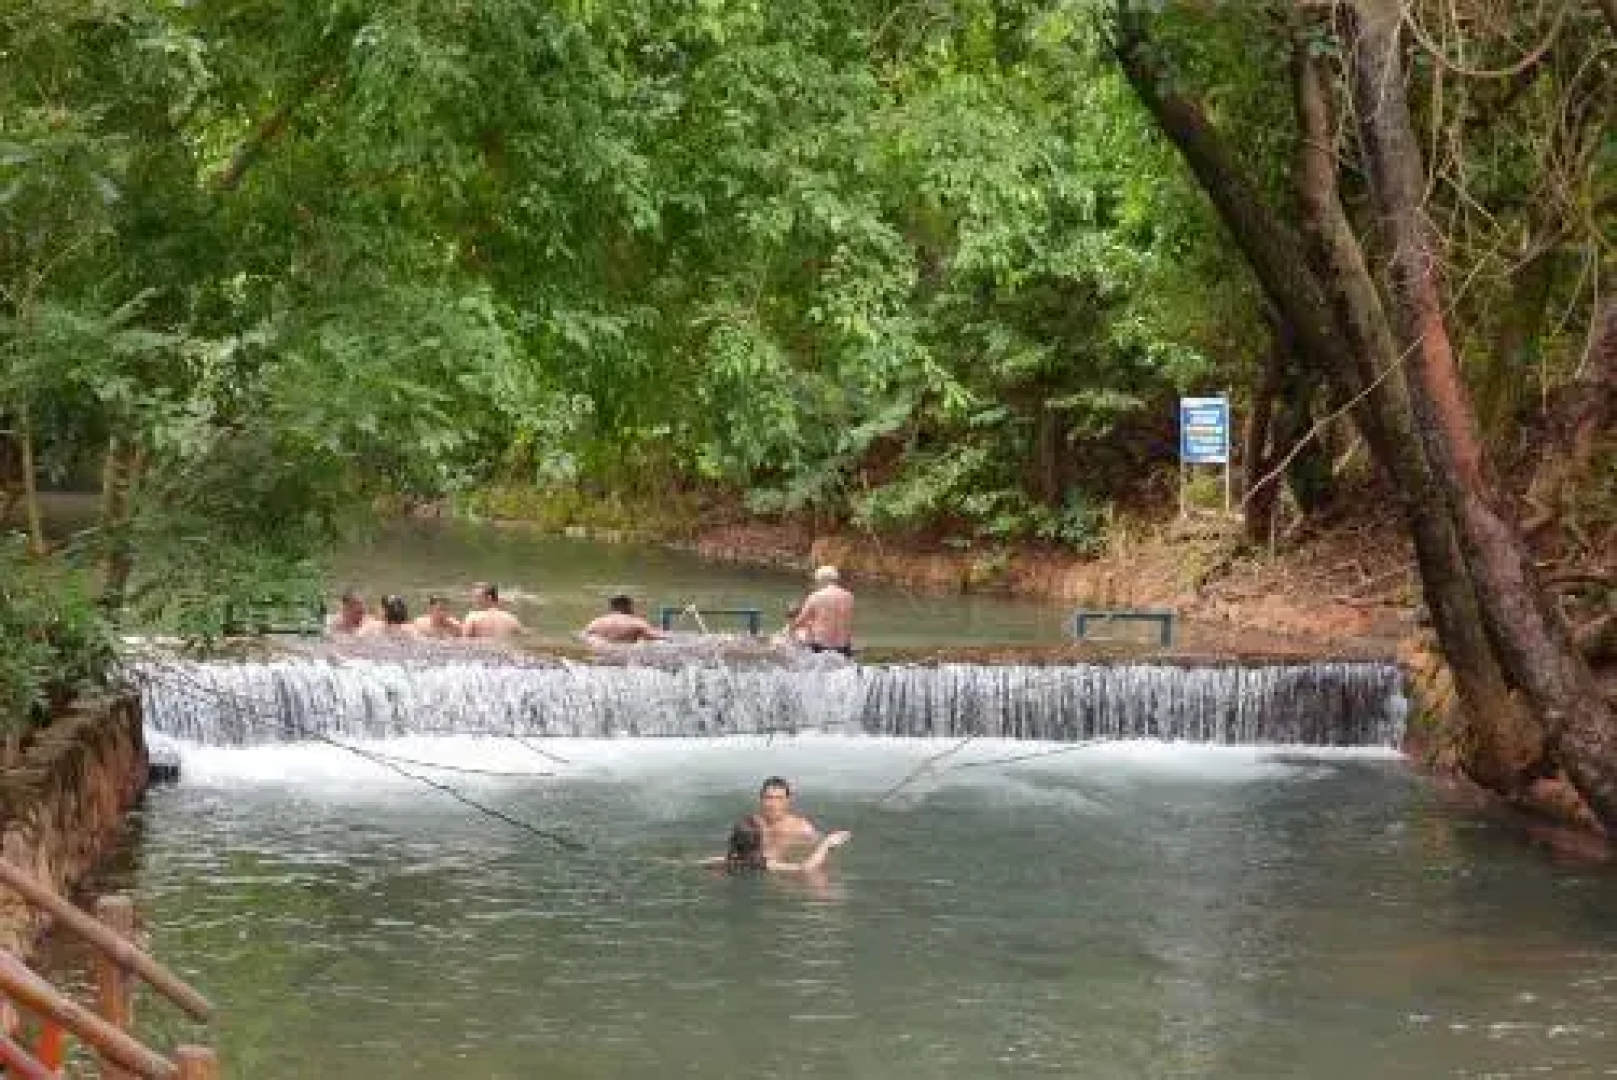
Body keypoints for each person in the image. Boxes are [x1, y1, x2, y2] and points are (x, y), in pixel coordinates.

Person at [704, 814, 850, 875]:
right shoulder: (766, 864)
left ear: (732, 841)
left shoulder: (723, 861)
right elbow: (804, 869)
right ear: (761, 842)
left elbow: (691, 864)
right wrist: (826, 844)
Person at [789, 566, 855, 657]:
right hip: (844, 646)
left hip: (821, 646)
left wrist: (790, 630)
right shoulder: (849, 596)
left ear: (821, 580)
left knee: (798, 634)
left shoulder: (816, 596)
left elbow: (801, 620)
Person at [582, 595, 668, 645]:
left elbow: (583, 637)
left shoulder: (596, 622)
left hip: (601, 656)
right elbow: (657, 638)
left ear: (612, 607)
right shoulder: (636, 622)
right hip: (624, 658)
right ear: (627, 606)